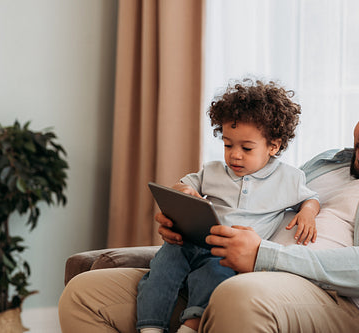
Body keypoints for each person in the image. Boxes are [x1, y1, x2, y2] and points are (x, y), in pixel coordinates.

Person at [58, 74, 359, 333]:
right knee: (86, 293)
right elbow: (252, 203)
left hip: (333, 300)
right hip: (228, 273)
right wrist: (185, 219)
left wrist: (264, 258)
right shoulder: (324, 164)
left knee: (242, 297)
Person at [136, 79, 320, 333]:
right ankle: (150, 327)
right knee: (162, 265)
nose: (235, 154)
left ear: (273, 146)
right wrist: (186, 191)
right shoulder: (211, 171)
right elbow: (182, 185)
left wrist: (308, 212)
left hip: (225, 253)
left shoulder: (288, 178)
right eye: (228, 145)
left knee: (213, 276)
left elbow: (310, 198)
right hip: (191, 239)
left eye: (246, 148)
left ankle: (191, 326)